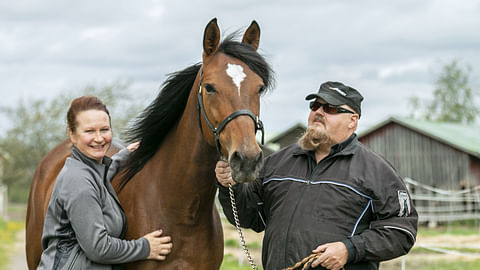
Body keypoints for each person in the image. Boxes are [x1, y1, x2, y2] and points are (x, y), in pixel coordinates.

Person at [215, 81, 418, 270]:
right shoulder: (277, 163)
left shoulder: (377, 171)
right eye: (315, 106)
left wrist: (350, 249)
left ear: (352, 121)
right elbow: (250, 218)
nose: (319, 112)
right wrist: (231, 186)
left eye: (330, 108)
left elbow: (401, 232)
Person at [37, 96, 173, 270]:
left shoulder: (89, 170)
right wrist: (145, 247)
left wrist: (124, 155)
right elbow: (98, 248)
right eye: (89, 131)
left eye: (104, 129)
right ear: (72, 134)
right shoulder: (78, 182)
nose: (99, 138)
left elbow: (100, 175)